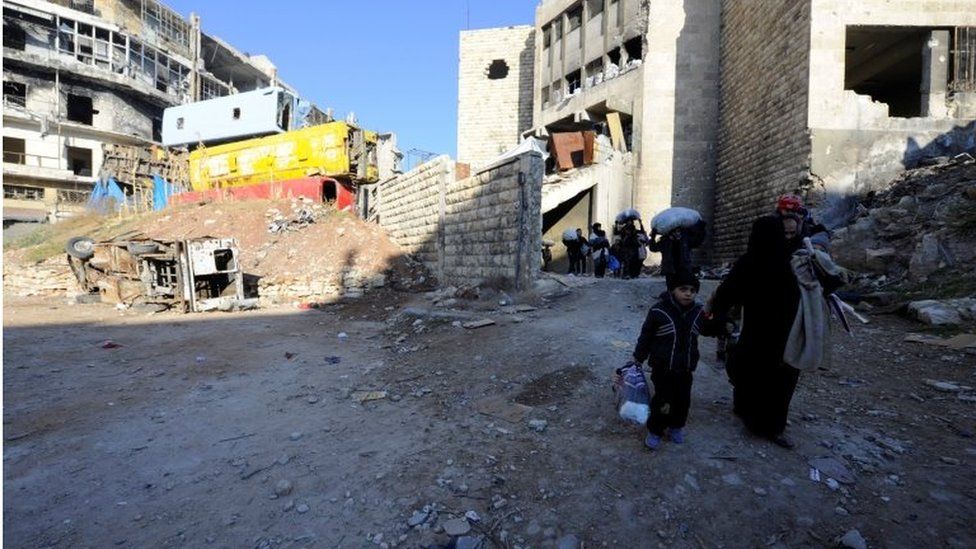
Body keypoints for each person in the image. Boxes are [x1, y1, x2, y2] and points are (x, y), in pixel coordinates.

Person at [706, 216, 801, 449]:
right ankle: (768, 425)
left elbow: (727, 293)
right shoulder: (789, 262)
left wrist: (718, 313)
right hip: (781, 331)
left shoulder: (752, 261)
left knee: (755, 369)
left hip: (761, 331)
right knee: (776, 376)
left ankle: (755, 416)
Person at [632, 271, 713, 450]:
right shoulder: (658, 311)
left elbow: (709, 329)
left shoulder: (698, 312)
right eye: (683, 289)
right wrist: (638, 357)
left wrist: (721, 319)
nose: (688, 293)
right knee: (664, 401)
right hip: (663, 368)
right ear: (672, 290)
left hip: (685, 368)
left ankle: (676, 426)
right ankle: (656, 430)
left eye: (692, 290)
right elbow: (646, 336)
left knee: (683, 400)